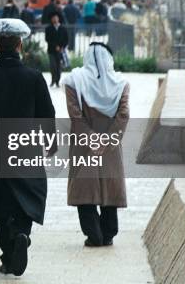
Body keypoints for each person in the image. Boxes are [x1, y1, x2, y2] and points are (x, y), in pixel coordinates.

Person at [0, 18, 56, 277]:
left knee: (1, 203)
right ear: (20, 44)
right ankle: (22, 233)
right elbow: (47, 114)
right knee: (27, 196)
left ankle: (8, 256)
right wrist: (50, 144)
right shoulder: (33, 77)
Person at [61, 43, 129, 247]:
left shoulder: (74, 81)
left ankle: (93, 234)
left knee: (85, 188)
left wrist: (92, 138)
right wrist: (106, 141)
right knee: (109, 184)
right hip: (110, 146)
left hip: (84, 143)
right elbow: (123, 115)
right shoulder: (121, 83)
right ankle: (108, 233)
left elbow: (75, 116)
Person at [45, 11, 68, 87]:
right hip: (51, 50)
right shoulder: (48, 28)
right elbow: (47, 39)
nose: (54, 19)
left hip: (60, 51)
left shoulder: (63, 28)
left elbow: (66, 39)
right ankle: (53, 80)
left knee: (58, 67)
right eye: (53, 18)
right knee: (53, 66)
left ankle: (57, 81)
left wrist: (62, 47)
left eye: (56, 18)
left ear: (58, 18)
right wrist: (55, 46)